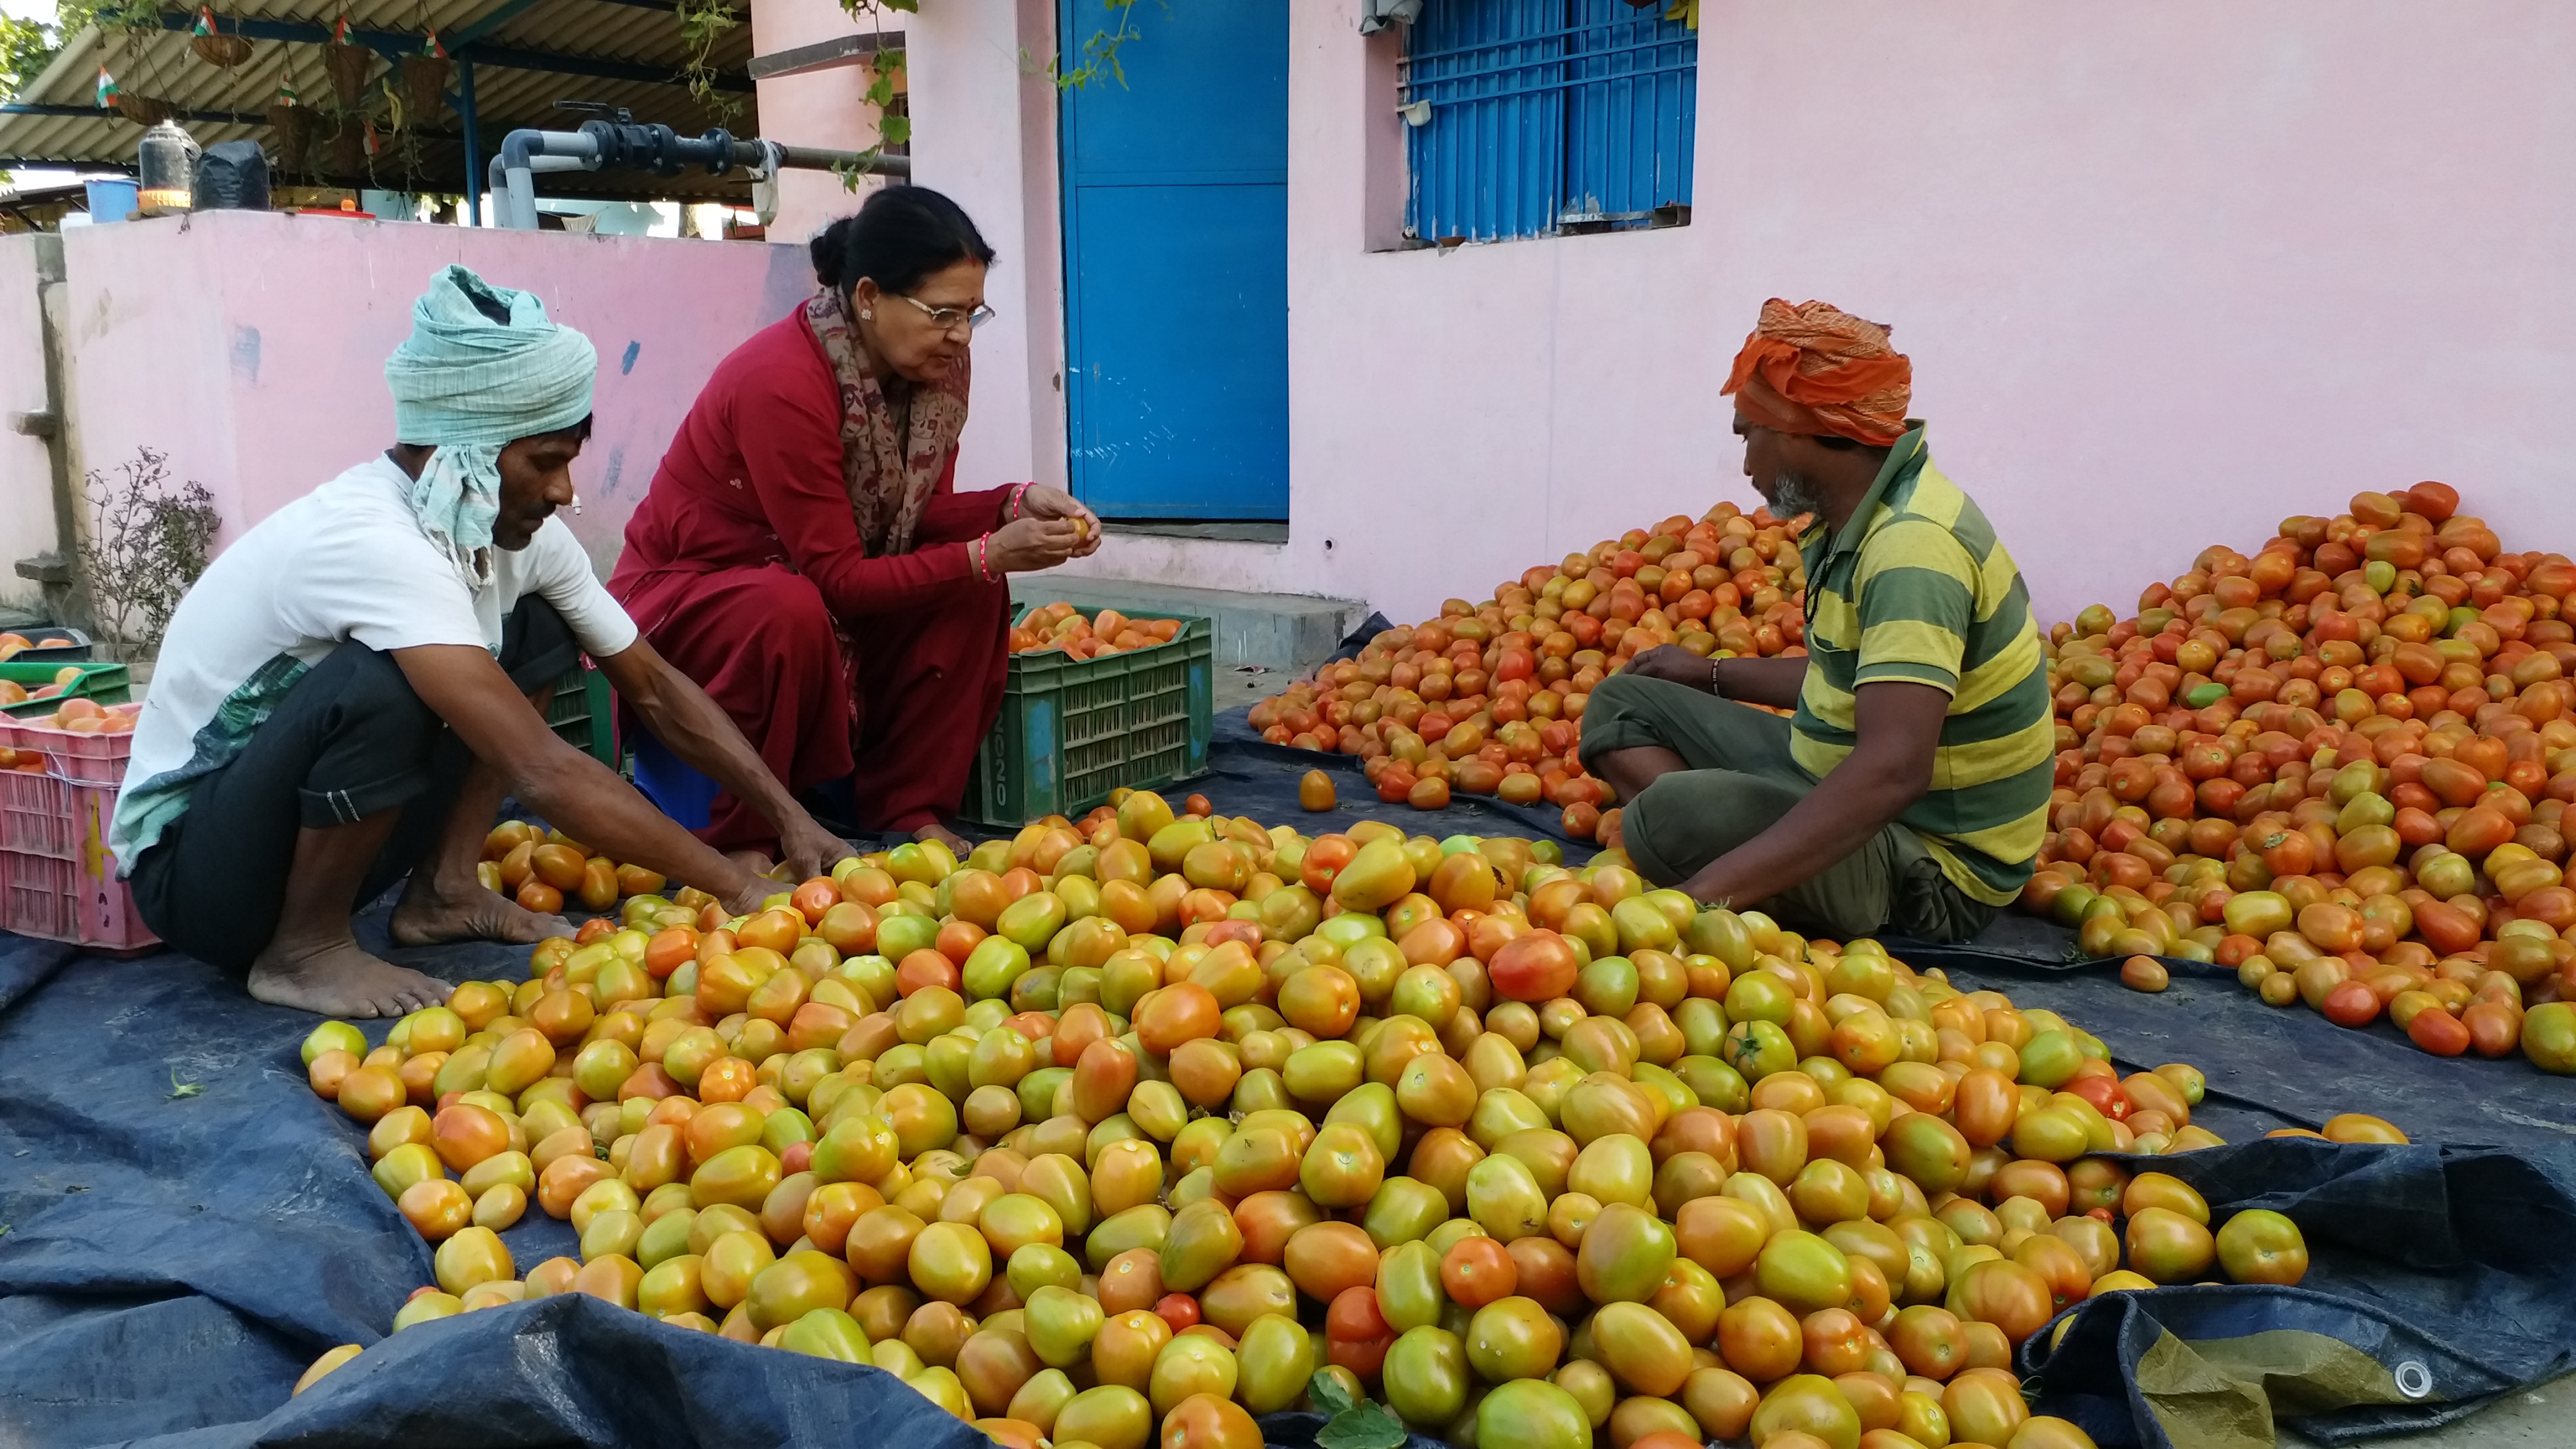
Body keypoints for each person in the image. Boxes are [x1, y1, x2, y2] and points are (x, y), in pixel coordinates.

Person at [113, 265, 848, 1017]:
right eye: (545, 462)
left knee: (537, 625)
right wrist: (740, 891)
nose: (566, 491)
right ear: (457, 453)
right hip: (198, 873)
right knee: (387, 684)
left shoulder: (520, 538)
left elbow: (653, 686)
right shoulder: (373, 541)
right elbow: (539, 765)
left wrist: (793, 819)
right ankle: (306, 952)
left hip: (296, 839)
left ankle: (445, 890)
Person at [610, 186, 1100, 859]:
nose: (960, 335)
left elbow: (914, 521)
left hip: (812, 583)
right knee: (789, 605)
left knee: (971, 583)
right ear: (868, 297)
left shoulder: (934, 372)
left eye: (972, 315)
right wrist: (990, 549)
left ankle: (907, 807)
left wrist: (1015, 504)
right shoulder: (781, 381)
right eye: (942, 314)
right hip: (697, 597)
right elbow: (838, 578)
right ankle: (744, 835)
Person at [1582, 299, 2054, 943]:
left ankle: (1745, 865)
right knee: (1621, 706)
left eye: (1749, 434)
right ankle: (1768, 849)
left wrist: (1699, 901)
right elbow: (1853, 680)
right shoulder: (1854, 518)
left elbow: (1894, 768)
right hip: (1831, 773)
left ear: (1802, 431)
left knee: (1668, 818)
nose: (1744, 463)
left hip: (1932, 865)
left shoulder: (1912, 546)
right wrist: (1712, 673)